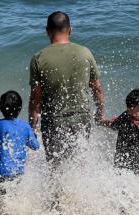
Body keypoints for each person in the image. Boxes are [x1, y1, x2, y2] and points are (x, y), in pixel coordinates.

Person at [28, 11, 105, 164]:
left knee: (55, 167)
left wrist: (32, 127)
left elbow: (35, 99)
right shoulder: (85, 53)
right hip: (81, 119)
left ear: (47, 31)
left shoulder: (39, 58)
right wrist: (100, 114)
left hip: (53, 122)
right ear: (70, 30)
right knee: (78, 164)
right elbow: (97, 89)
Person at [99, 89, 139, 177]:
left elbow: (113, 123)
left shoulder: (125, 115)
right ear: (130, 109)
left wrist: (102, 122)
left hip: (119, 162)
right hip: (135, 166)